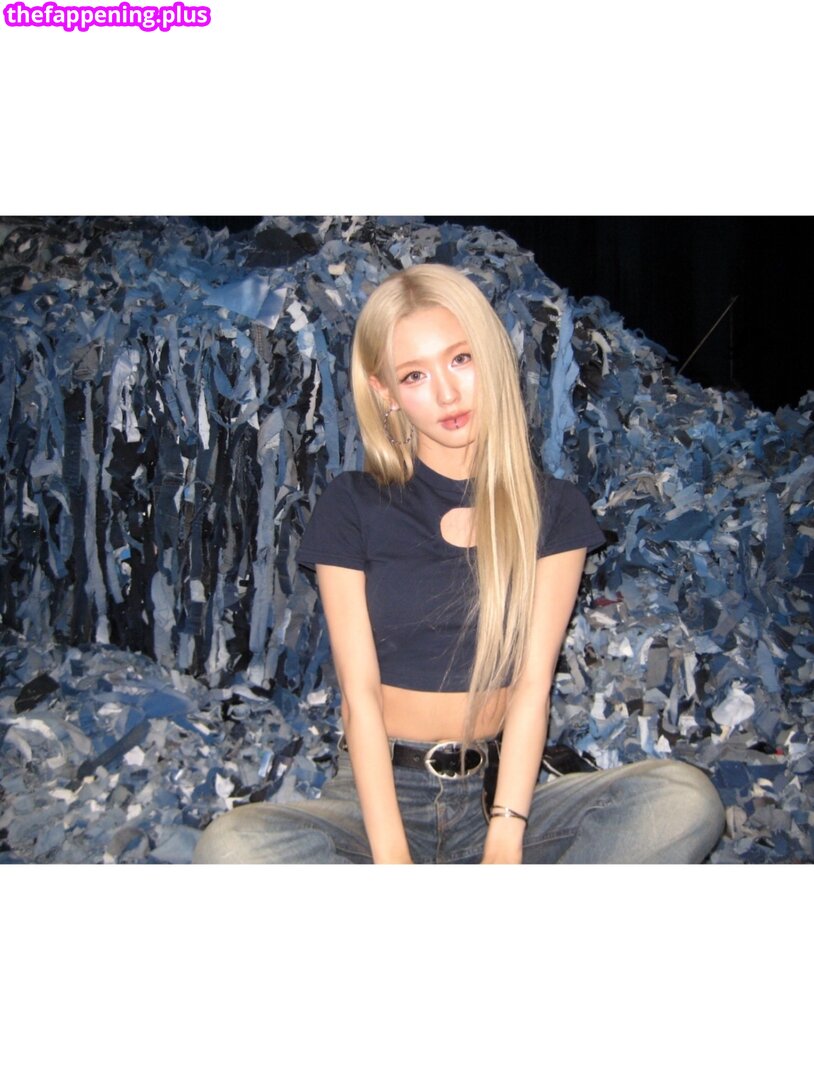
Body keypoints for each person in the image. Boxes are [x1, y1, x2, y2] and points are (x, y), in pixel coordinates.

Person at [193, 264, 725, 864]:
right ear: (386, 393)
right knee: (233, 848)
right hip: (377, 800)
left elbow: (531, 688)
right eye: (415, 375)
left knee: (682, 800)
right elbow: (360, 696)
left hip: (501, 795)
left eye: (461, 359)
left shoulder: (553, 510)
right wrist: (392, 857)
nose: (447, 394)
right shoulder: (353, 505)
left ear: (490, 360)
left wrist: (505, 835)